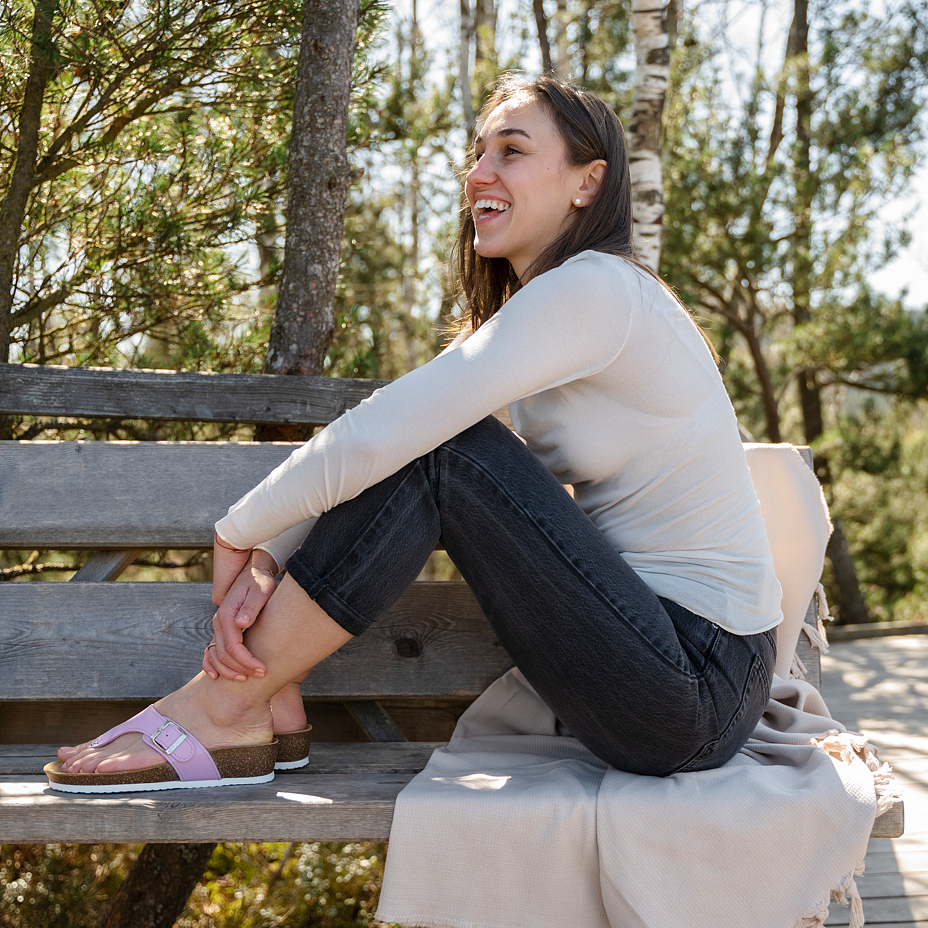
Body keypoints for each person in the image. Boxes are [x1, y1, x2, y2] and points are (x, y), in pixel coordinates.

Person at [47, 73, 781, 793]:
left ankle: (224, 701)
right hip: (662, 666)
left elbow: (397, 432)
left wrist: (242, 531)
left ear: (587, 184)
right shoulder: (552, 310)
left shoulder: (597, 289)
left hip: (695, 681)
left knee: (450, 448)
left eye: (512, 152)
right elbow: (402, 452)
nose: (478, 174)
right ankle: (261, 695)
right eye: (478, 153)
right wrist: (272, 553)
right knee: (445, 445)